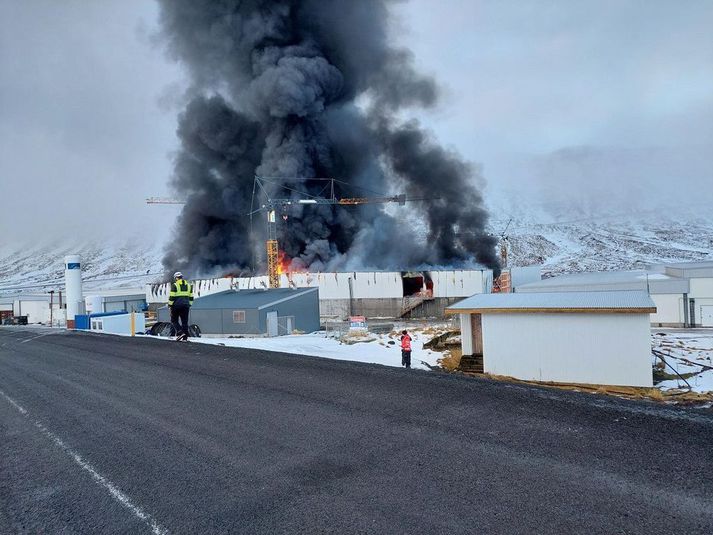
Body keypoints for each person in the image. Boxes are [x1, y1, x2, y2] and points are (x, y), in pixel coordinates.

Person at [169, 271, 193, 341]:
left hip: (176, 306)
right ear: (182, 277)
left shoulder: (175, 285)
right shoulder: (189, 285)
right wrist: (189, 304)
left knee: (174, 320)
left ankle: (180, 332)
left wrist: (170, 305)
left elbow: (172, 297)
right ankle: (185, 338)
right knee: (184, 322)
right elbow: (191, 297)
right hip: (186, 306)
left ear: (176, 278)